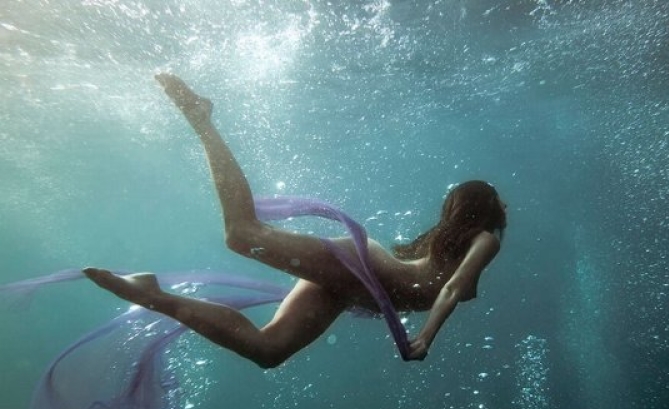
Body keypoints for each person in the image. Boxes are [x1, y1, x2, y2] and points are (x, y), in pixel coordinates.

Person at [83, 74, 507, 368]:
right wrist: (425, 339)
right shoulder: (486, 239)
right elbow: (450, 288)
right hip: (361, 269)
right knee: (242, 234)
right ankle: (202, 119)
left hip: (356, 289)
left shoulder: (457, 244)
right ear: (484, 211)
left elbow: (440, 284)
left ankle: (152, 294)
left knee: (268, 351)